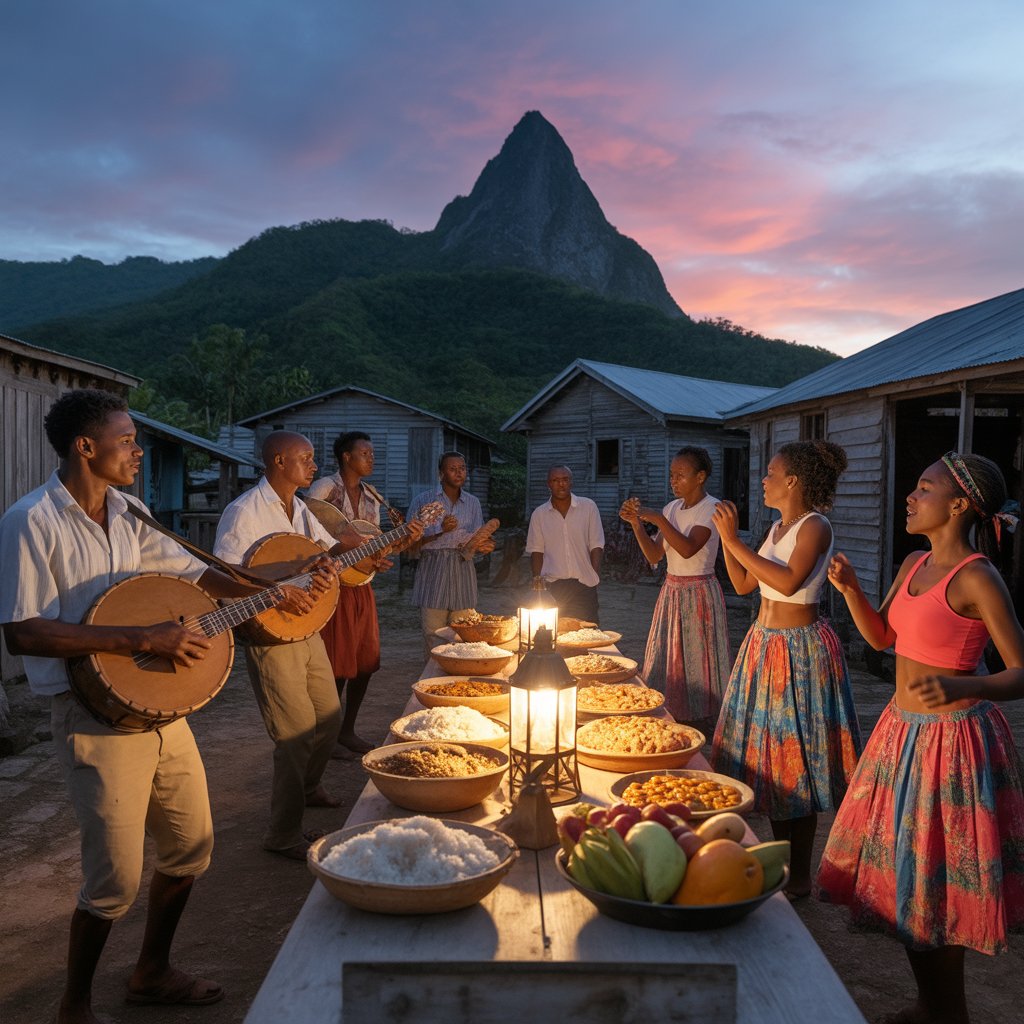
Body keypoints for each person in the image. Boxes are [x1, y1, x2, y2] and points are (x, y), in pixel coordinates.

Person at [0, 389, 290, 1022]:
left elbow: (193, 571)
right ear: (85, 446)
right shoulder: (31, 520)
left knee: (193, 845)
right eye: (127, 439)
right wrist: (140, 637)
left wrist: (269, 590)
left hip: (161, 707)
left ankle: (151, 971)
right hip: (91, 718)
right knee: (114, 880)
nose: (138, 449)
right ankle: (73, 1005)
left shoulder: (131, 510)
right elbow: (22, 630)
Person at [817, 452, 1024, 1024]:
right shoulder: (912, 563)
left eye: (923, 487)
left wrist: (967, 686)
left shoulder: (977, 576)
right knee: (909, 878)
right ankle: (931, 1006)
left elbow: (1019, 668)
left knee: (938, 885)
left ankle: (947, 1012)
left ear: (958, 504)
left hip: (953, 746)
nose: (910, 497)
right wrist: (853, 590)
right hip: (902, 734)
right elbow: (883, 637)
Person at [710, 439, 861, 898]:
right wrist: (726, 542)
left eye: (771, 473)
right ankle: (783, 866)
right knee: (773, 759)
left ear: (792, 480)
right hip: (764, 644)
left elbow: (790, 581)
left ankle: (798, 874)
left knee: (798, 758)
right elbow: (742, 585)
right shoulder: (777, 529)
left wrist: (735, 541)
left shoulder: (814, 526)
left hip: (800, 651)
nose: (764, 479)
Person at [214, 431, 344, 861]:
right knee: (294, 734)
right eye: (305, 457)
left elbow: (323, 553)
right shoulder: (243, 512)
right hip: (269, 629)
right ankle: (283, 833)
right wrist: (277, 586)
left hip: (306, 622)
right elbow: (225, 574)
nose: (312, 464)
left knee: (328, 715)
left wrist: (336, 564)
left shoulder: (301, 509)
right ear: (278, 461)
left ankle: (305, 788)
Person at [307, 431, 422, 756]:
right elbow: (312, 532)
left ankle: (346, 730)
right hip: (330, 585)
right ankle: (325, 737)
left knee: (364, 662)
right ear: (346, 456)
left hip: (360, 585)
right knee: (337, 663)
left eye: (372, 454)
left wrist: (390, 550)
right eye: (365, 453)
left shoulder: (372, 496)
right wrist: (360, 551)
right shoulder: (324, 488)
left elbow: (373, 542)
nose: (371, 458)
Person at [619, 446, 730, 729]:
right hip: (672, 589)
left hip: (699, 591)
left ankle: (701, 716)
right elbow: (655, 555)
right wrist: (636, 524)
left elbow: (689, 548)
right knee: (670, 655)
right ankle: (672, 710)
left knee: (697, 656)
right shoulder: (672, 508)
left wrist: (657, 519)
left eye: (681, 475)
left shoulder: (711, 509)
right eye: (671, 475)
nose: (674, 480)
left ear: (701, 476)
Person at [409, 451, 496, 657]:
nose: (458, 473)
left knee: (465, 631)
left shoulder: (473, 503)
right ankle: (433, 682)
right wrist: (440, 530)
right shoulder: (423, 500)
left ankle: (458, 678)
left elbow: (476, 538)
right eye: (452, 469)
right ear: (441, 474)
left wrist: (483, 545)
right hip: (433, 569)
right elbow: (409, 545)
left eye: (462, 468)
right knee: (433, 634)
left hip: (462, 566)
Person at [526, 465, 604, 625]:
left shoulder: (588, 507)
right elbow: (536, 551)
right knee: (553, 633)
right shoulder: (539, 515)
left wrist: (594, 575)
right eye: (555, 480)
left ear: (571, 482)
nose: (561, 484)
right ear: (549, 484)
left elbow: (596, 544)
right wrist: (537, 584)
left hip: (583, 584)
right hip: (552, 586)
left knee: (587, 633)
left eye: (565, 480)